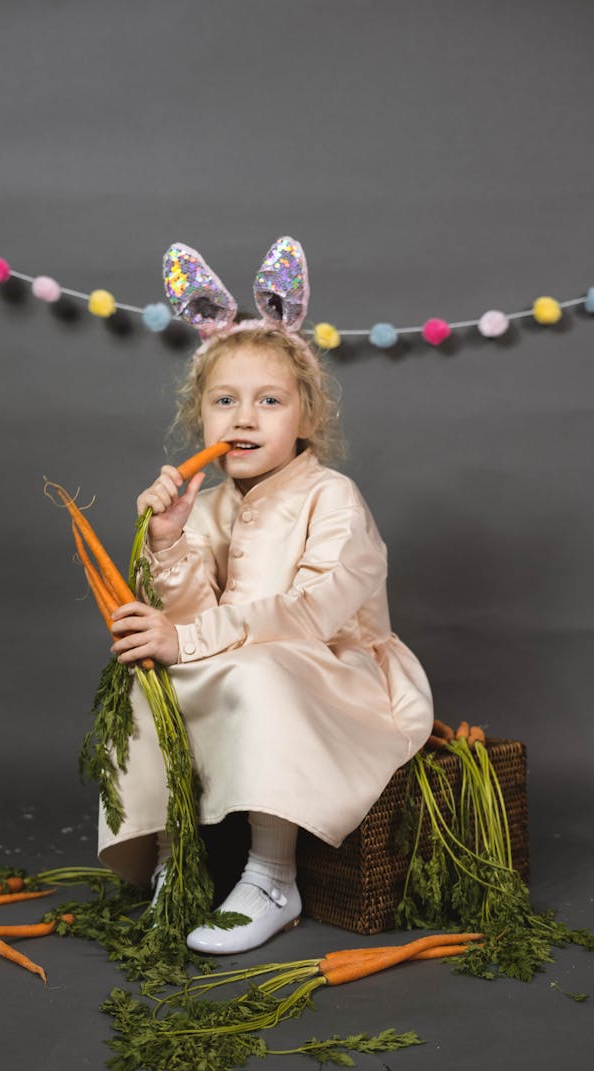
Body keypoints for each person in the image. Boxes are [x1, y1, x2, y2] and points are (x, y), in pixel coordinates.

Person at [99, 237, 434, 954]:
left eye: (269, 401)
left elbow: (310, 615)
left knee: (262, 668)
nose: (244, 419)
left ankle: (273, 874)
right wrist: (169, 540)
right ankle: (175, 860)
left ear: (306, 418)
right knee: (150, 674)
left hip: (339, 674)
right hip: (243, 660)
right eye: (225, 401)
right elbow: (191, 620)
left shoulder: (332, 498)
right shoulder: (212, 504)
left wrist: (186, 638)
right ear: (202, 419)